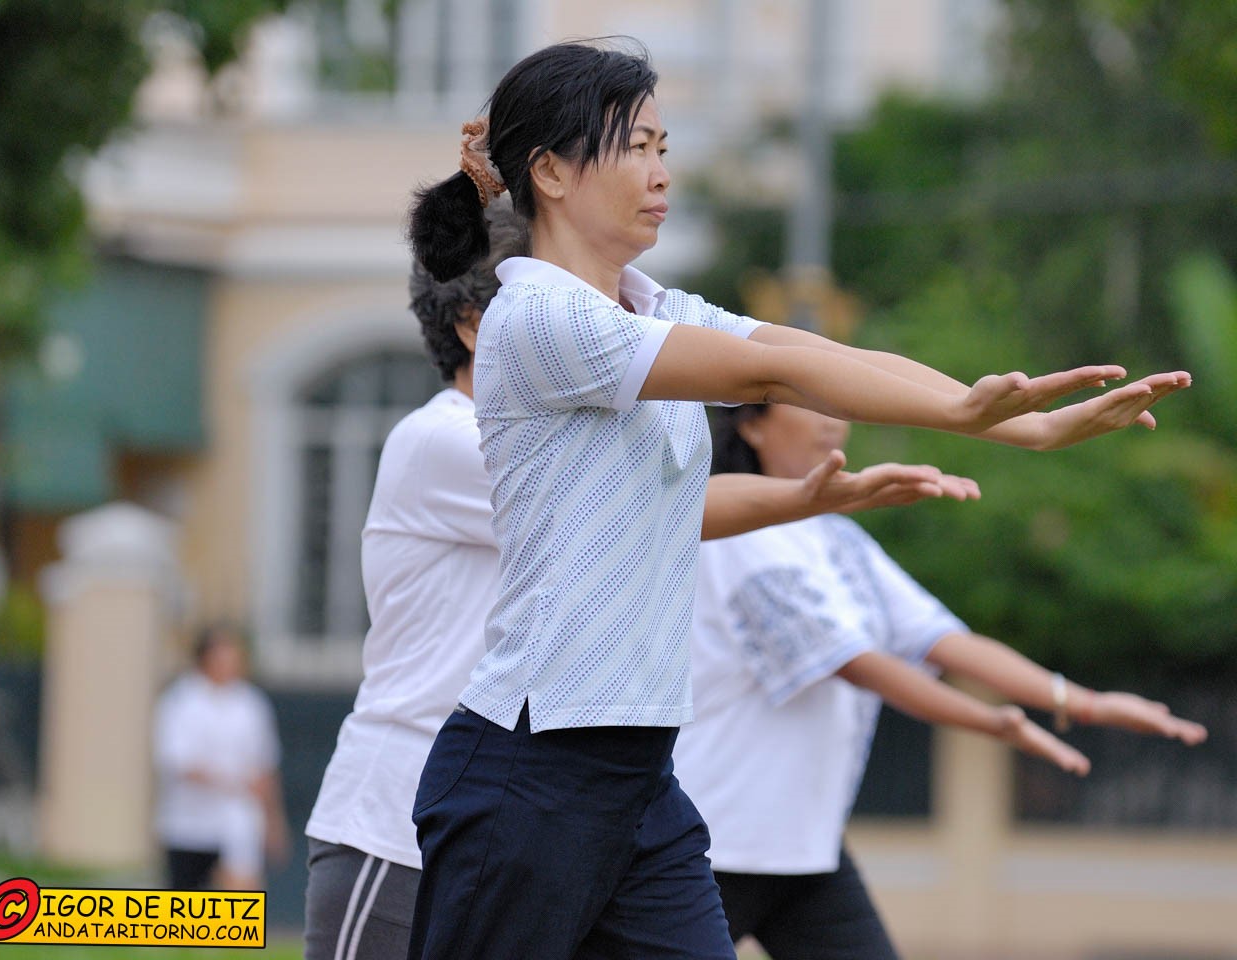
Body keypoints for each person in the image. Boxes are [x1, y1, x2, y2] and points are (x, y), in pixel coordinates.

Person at [404, 38, 1188, 960]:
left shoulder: (646, 310)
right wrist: (964, 413)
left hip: (639, 776)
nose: (663, 171)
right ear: (551, 171)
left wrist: (1014, 424)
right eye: (637, 147)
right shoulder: (541, 317)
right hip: (530, 771)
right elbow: (775, 372)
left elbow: (817, 357)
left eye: (664, 146)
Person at [302, 201, 974, 960]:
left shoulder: (566, 428)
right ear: (470, 325)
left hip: (547, 816)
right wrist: (808, 497)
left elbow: (768, 372)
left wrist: (963, 413)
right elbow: (668, 499)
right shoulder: (445, 438)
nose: (589, 322)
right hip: (397, 828)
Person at [672, 402, 1209, 960]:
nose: (832, 421)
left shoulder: (839, 541)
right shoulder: (734, 535)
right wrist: (991, 722)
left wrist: (1079, 700)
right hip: (718, 845)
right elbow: (857, 663)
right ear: (752, 423)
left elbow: (941, 640)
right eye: (808, 405)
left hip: (806, 850)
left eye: (836, 406)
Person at [153, 623, 288, 891]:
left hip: (237, 818)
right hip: (187, 823)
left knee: (240, 889)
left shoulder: (251, 704)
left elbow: (265, 765)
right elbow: (180, 763)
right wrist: (234, 783)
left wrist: (273, 820)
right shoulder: (181, 701)